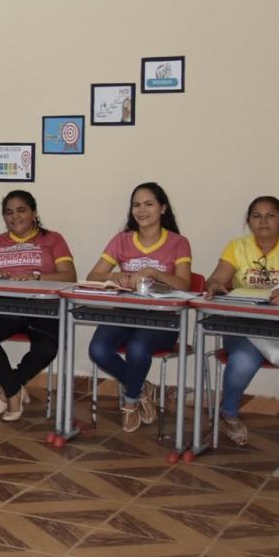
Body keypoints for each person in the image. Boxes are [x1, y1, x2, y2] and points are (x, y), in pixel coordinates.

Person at [203, 196, 279, 455]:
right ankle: (229, 414)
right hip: (244, 327)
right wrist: (215, 285)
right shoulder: (236, 247)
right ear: (248, 221)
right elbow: (216, 278)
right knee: (242, 361)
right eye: (256, 216)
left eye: (271, 215)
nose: (263, 221)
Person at [82, 182, 193, 433]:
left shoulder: (178, 242)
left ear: (162, 208)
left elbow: (185, 285)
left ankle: (130, 402)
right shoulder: (122, 240)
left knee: (138, 349)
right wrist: (115, 276)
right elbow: (93, 274)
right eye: (136, 205)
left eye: (149, 204)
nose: (141, 210)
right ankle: (142, 387)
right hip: (124, 313)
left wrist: (154, 272)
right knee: (98, 349)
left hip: (162, 318)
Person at [0, 190, 76, 422]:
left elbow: (70, 276)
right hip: (5, 309)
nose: (15, 217)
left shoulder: (53, 239)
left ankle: (11, 387)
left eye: (21, 210)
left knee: (47, 348)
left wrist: (37, 277)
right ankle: (14, 390)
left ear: (34, 213)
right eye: (8, 213)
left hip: (42, 309)